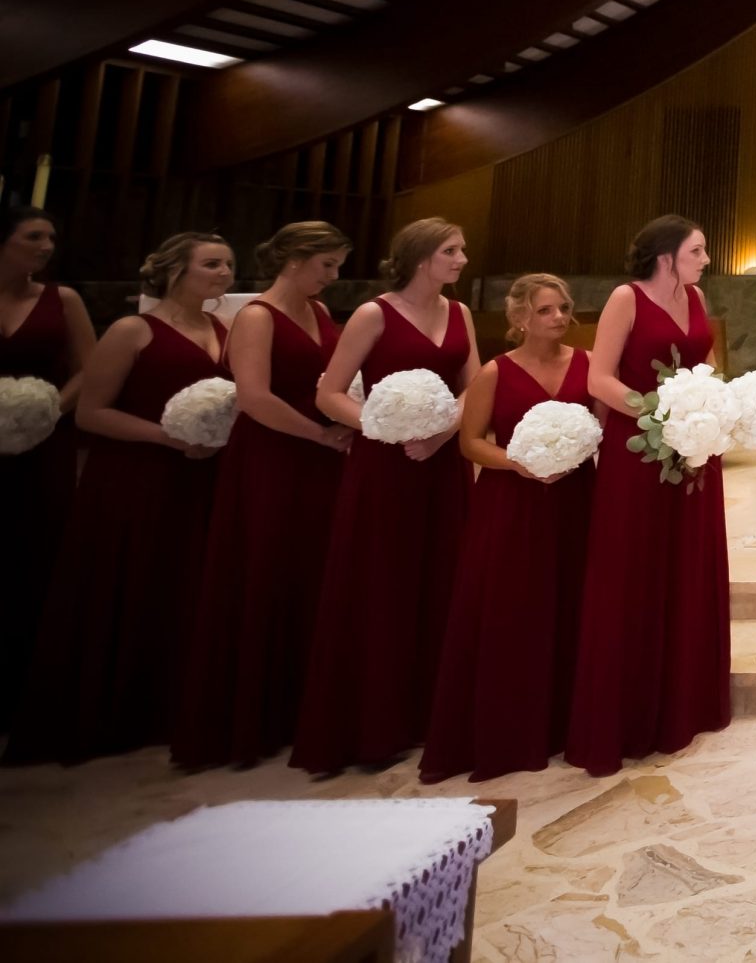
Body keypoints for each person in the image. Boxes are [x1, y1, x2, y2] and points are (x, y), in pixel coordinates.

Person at [5, 233, 230, 764]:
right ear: (175, 270)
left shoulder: (220, 327)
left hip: (199, 476)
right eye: (212, 264)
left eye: (227, 265)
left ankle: (170, 708)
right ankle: (113, 712)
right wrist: (169, 438)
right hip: (138, 475)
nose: (223, 274)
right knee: (132, 583)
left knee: (185, 586)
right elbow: (92, 413)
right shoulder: (133, 329)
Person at [294, 218, 478, 775]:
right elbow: (328, 393)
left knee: (441, 578)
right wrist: (384, 427)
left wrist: (445, 432)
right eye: (452, 250)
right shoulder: (374, 314)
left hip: (442, 463)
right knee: (382, 583)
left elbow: (474, 386)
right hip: (385, 466)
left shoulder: (460, 313)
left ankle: (433, 713)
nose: (462, 259)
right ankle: (374, 722)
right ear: (421, 256)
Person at [172, 221, 356, 770]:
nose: (334, 275)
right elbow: (253, 396)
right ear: (295, 260)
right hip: (274, 456)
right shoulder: (255, 316)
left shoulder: (320, 314)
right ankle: (250, 716)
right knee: (265, 569)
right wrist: (320, 433)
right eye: (327, 264)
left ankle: (300, 706)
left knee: (311, 572)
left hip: (321, 457)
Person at [568, 215, 731, 774]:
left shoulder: (697, 296)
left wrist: (712, 407)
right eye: (698, 250)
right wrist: (660, 416)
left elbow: (705, 362)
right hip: (639, 451)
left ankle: (686, 699)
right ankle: (632, 712)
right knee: (636, 567)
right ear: (666, 256)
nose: (705, 259)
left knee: (686, 562)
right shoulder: (626, 299)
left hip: (693, 454)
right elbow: (599, 379)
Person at [423, 275, 594, 783]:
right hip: (513, 503)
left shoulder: (584, 366)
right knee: (513, 608)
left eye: (563, 308)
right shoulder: (496, 373)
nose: (559, 317)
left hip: (574, 501)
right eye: (546, 310)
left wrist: (576, 453)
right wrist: (521, 464)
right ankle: (511, 730)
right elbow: (471, 443)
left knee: (571, 604)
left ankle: (569, 724)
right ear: (519, 317)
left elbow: (602, 426)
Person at [0, 207, 96, 728]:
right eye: (33, 235)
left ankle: (26, 690)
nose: (46, 245)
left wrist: (46, 412)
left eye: (51, 236)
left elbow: (90, 367)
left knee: (37, 555)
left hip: (45, 441)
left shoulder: (63, 299)